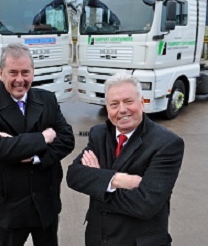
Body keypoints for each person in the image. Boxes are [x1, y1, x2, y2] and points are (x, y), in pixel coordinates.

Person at [0, 43, 75, 246]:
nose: (20, 79)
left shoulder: (48, 100)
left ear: (33, 73)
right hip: (9, 209)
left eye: (25, 72)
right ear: (1, 73)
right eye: (13, 72)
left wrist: (34, 156)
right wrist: (43, 138)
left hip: (46, 203)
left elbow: (67, 139)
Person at [67, 73, 184, 246]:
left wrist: (98, 180)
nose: (122, 109)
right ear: (107, 108)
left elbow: (146, 205)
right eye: (114, 104)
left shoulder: (167, 144)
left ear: (142, 102)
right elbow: (74, 176)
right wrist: (118, 180)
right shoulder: (99, 134)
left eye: (128, 101)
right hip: (98, 239)